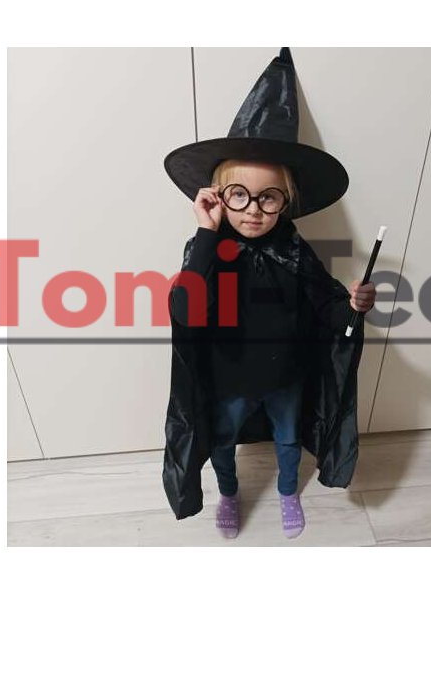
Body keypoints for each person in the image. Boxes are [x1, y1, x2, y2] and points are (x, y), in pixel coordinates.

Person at [161, 46, 375, 537]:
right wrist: (207, 232)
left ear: (286, 201)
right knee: (222, 442)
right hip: (228, 378)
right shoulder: (207, 249)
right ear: (218, 197)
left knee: (287, 440)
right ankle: (229, 493)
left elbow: (325, 304)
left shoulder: (293, 249)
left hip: (286, 376)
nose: (254, 209)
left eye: (268, 197)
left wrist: (351, 305)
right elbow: (184, 308)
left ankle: (286, 491)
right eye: (239, 195)